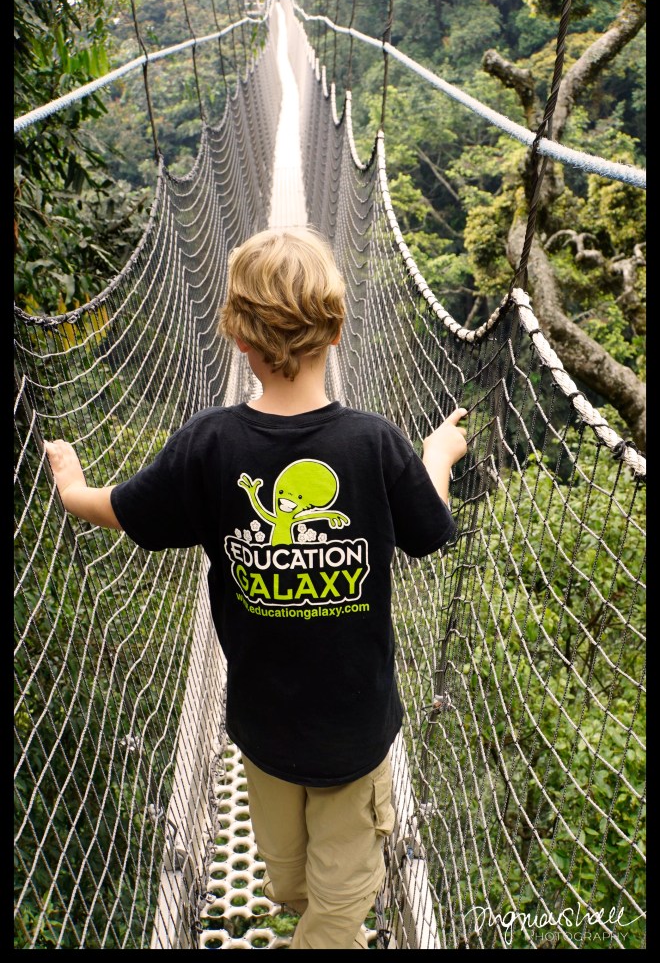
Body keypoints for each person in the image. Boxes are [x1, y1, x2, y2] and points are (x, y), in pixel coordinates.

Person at [45, 226, 468, 950]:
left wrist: (72, 486)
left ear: (239, 338)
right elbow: (430, 527)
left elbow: (123, 511)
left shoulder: (212, 443)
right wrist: (438, 454)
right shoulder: (372, 443)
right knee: (292, 887)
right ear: (336, 328)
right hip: (272, 737)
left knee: (336, 911)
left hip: (340, 741)